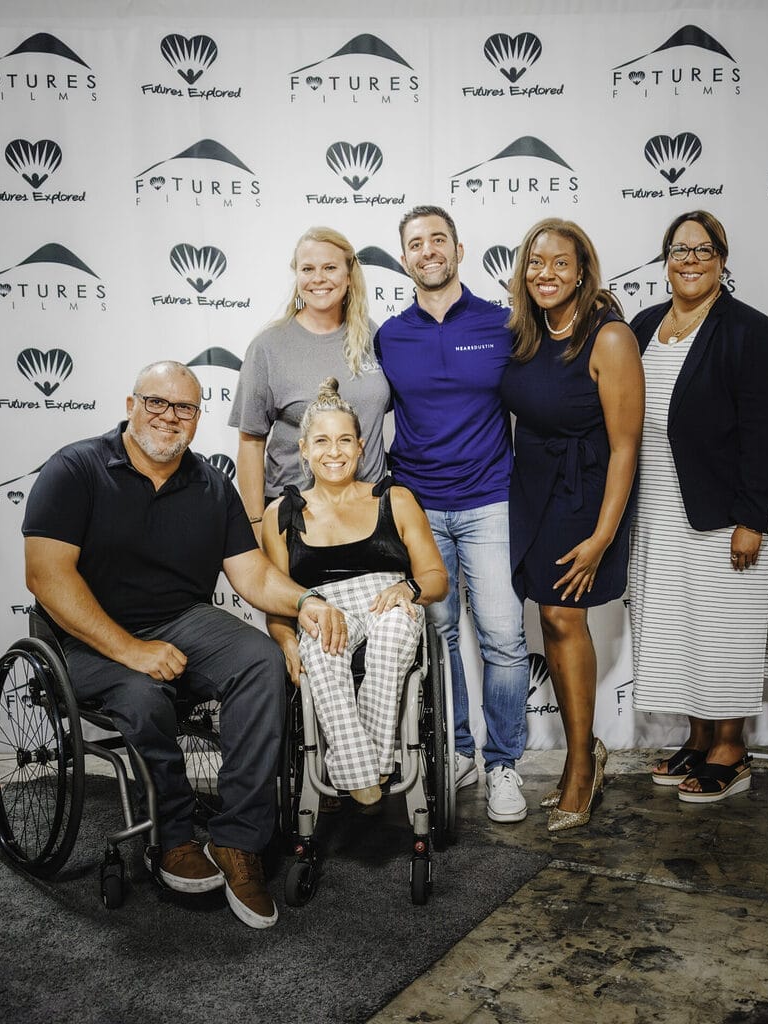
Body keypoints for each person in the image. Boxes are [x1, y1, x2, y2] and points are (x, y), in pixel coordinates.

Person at [22, 361, 348, 929]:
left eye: (186, 408)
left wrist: (304, 602)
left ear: (198, 418)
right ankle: (172, 837)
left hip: (179, 622)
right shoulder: (75, 469)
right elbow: (46, 577)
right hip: (81, 635)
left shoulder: (211, 485)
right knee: (144, 694)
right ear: (131, 405)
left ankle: (237, 841)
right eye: (157, 403)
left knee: (260, 661)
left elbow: (251, 575)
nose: (170, 417)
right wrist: (130, 650)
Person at [628, 210, 768, 803]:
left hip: (732, 511)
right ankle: (699, 739)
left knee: (727, 631)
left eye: (704, 250)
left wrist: (752, 519)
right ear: (665, 260)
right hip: (662, 508)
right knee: (682, 628)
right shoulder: (645, 325)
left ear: (723, 261)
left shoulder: (752, 331)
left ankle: (731, 748)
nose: (691, 260)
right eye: (680, 249)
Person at [374, 205, 530, 824]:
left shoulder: (504, 324)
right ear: (405, 258)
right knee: (435, 640)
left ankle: (503, 765)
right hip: (418, 506)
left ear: (459, 249)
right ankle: (457, 751)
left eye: (438, 239)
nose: (428, 250)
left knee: (503, 637)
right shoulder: (389, 334)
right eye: (416, 243)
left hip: (492, 499)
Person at [501, 218, 645, 833]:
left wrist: (603, 535)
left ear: (583, 270)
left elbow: (626, 447)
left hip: (586, 490)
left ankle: (582, 762)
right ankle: (584, 750)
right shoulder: (526, 334)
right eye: (536, 262)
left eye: (561, 263)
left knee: (564, 616)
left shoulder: (609, 338)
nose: (546, 273)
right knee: (548, 617)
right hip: (531, 486)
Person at [262, 378, 448, 806]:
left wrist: (409, 586)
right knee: (322, 649)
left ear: (362, 447)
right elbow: (275, 597)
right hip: (323, 608)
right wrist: (287, 641)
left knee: (393, 634)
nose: (334, 452)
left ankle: (366, 764)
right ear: (304, 449)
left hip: (387, 599)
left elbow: (437, 578)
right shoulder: (281, 513)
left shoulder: (395, 498)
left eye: (345, 440)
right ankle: (369, 768)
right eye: (322, 441)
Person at [229, 226, 390, 540]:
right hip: (297, 514)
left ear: (349, 273)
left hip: (369, 513)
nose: (319, 278)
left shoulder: (373, 336)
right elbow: (251, 442)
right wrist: (256, 525)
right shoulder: (268, 346)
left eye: (330, 267)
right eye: (308, 269)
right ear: (297, 275)